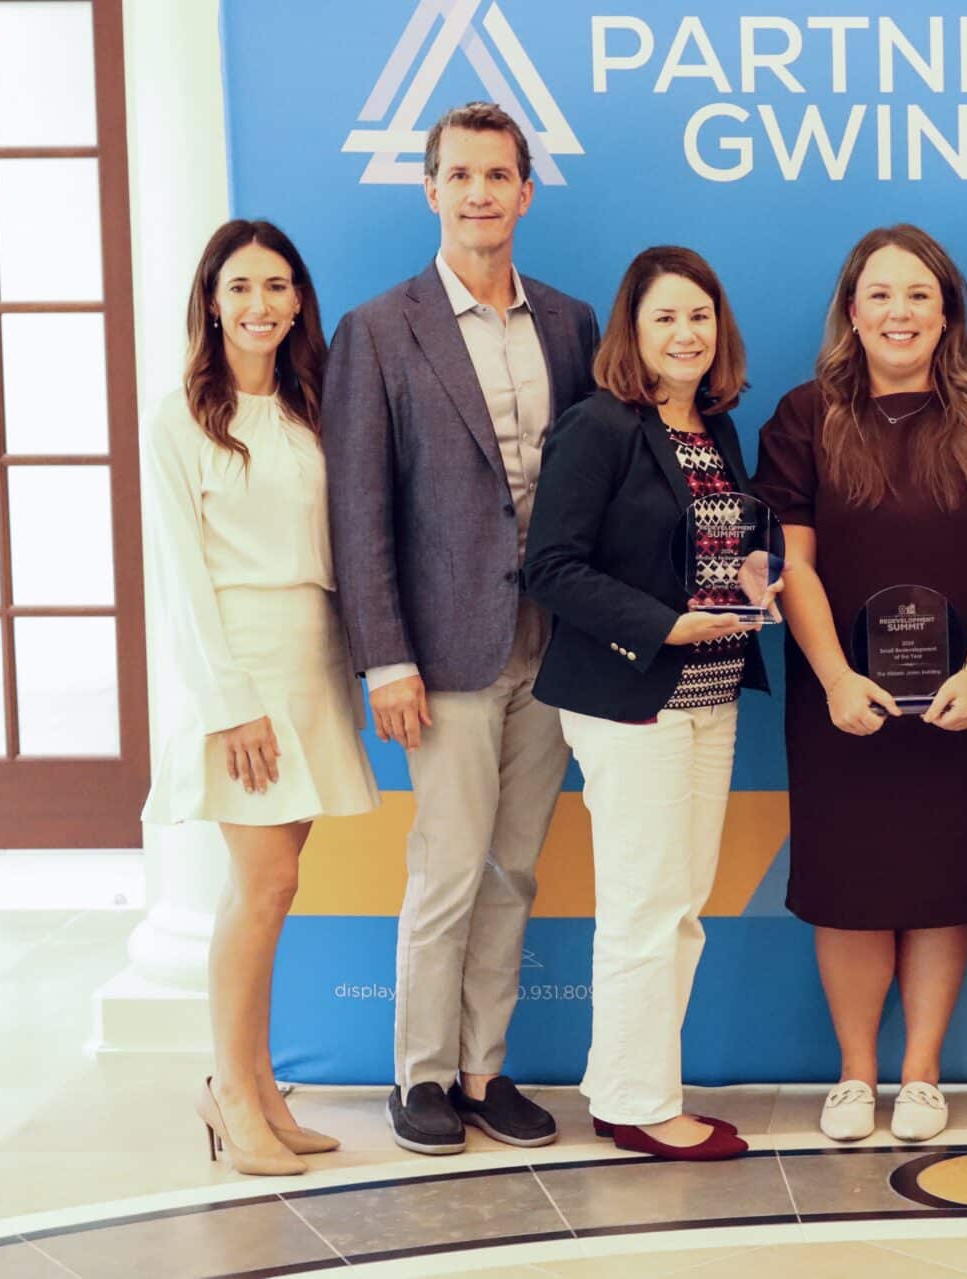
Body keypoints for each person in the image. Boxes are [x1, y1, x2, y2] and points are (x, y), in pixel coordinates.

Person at [324, 102, 600, 1156]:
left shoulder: (571, 324)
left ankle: (485, 1071)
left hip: (554, 644)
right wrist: (384, 657)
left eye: (499, 175)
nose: (480, 192)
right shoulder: (379, 330)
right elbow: (361, 511)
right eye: (460, 175)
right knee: (446, 866)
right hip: (439, 653)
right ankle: (420, 1075)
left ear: (526, 192)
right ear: (429, 189)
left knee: (514, 867)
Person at [753, 225, 967, 1143]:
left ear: (946, 309)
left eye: (918, 294)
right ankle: (855, 1075)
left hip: (965, 695)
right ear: (851, 310)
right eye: (880, 294)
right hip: (839, 699)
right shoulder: (802, 417)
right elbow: (789, 561)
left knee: (940, 877)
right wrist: (834, 676)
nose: (899, 312)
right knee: (850, 881)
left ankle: (920, 1074)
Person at [143, 219, 380, 1176]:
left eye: (277, 286)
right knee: (262, 886)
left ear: (298, 300)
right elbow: (182, 577)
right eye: (240, 287)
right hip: (238, 665)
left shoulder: (313, 406)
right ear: (211, 299)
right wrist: (226, 701)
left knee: (280, 891)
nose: (260, 305)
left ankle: (262, 1082)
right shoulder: (181, 419)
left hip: (312, 654)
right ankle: (229, 1090)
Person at [521, 246, 764, 1162]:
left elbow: (711, 549)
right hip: (631, 697)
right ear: (632, 329)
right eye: (664, 316)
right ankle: (638, 1102)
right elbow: (551, 568)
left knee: (681, 903)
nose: (685, 332)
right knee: (644, 903)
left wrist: (751, 586)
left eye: (698, 315)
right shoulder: (599, 426)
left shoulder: (716, 431)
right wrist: (666, 625)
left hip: (710, 694)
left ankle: (633, 1085)